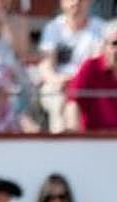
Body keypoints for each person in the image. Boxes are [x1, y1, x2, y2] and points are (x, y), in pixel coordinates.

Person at [38, 0, 106, 132]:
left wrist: (77, 83)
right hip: (59, 85)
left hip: (90, 86)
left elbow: (100, 65)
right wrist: (57, 80)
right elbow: (46, 66)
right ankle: (61, 145)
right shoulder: (53, 27)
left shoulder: (101, 28)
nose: (75, 3)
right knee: (57, 99)